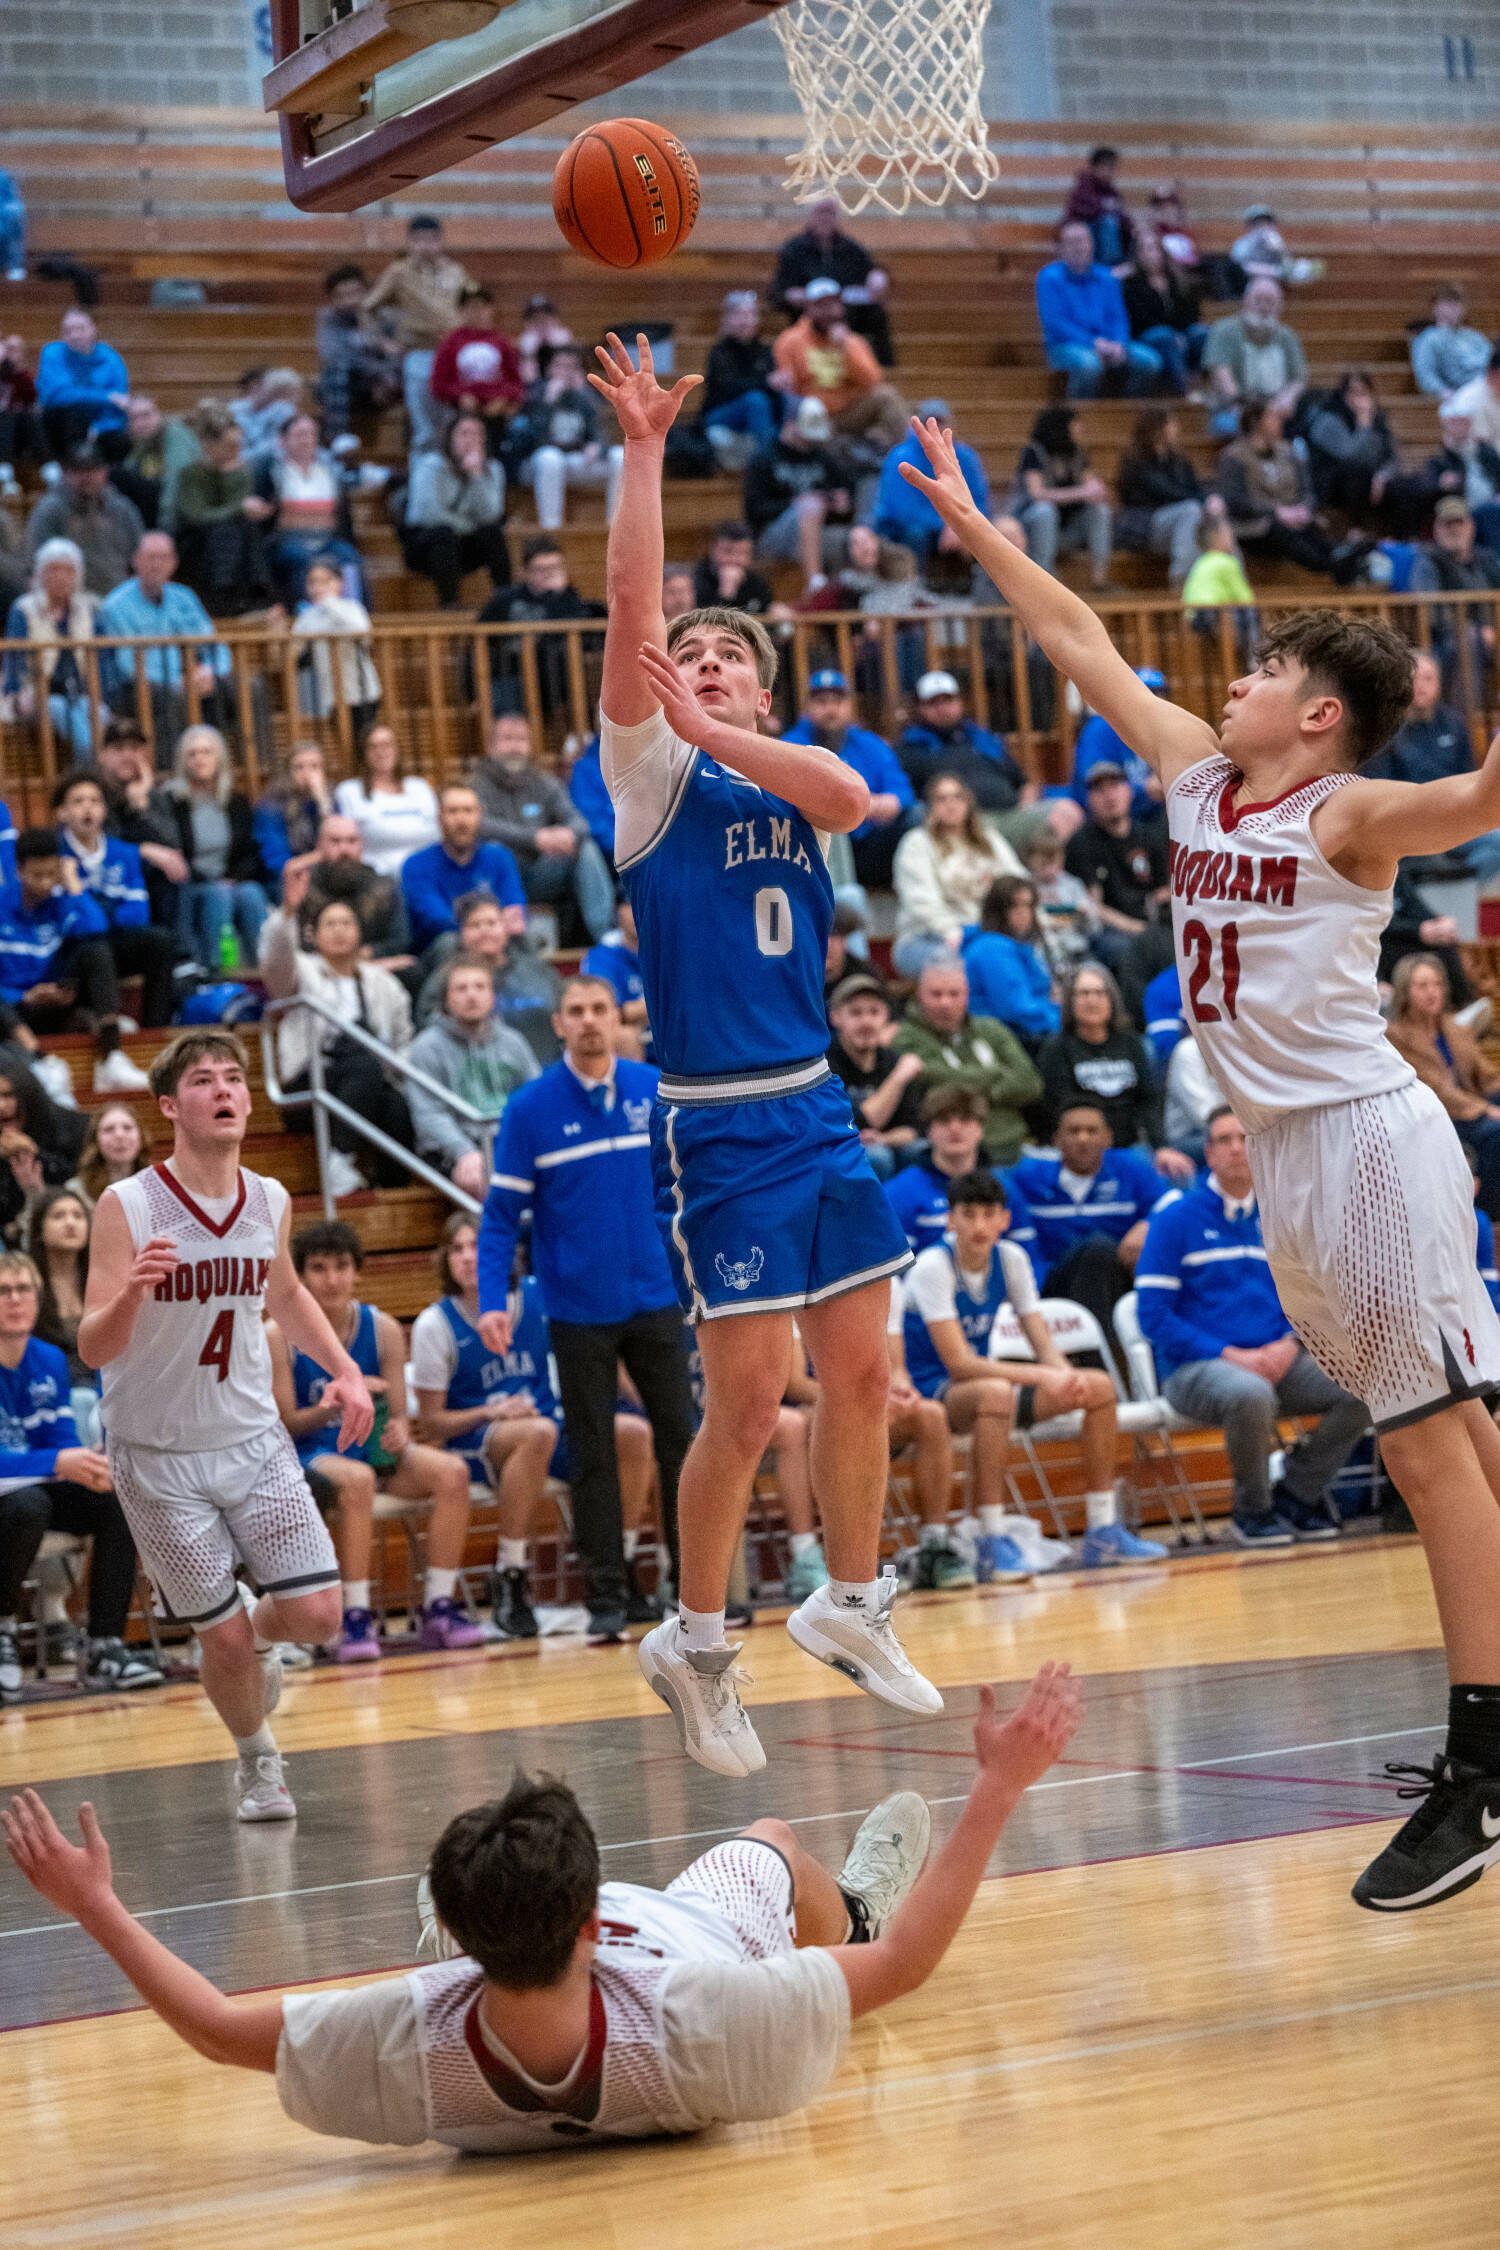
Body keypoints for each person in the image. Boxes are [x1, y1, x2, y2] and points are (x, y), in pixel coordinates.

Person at [904, 407, 1500, 1911]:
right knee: (1461, 1435)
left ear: (1315, 718)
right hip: (1290, 1156)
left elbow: (1480, 803)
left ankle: (1487, 1771)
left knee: (1431, 1451)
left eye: (1267, 671)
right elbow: (1084, 640)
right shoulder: (1187, 772)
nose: (1229, 680)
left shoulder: (1347, 811)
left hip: (1368, 1138)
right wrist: (982, 538)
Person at [1, 1659, 1084, 2150]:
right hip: (690, 1941)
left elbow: (218, 2030)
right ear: (583, 1922)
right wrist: (997, 1786)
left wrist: (94, 1903)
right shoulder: (713, 2022)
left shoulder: (411, 2036)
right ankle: (852, 1899)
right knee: (768, 1839)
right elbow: (902, 1973)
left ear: (458, 1941)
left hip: (533, 1949)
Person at [581, 331, 938, 1772]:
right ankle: (698, 1636)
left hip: (819, 1111)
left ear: (763, 693)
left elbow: (853, 796)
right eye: (695, 649)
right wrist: (647, 447)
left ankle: (851, 1600)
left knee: (863, 1370)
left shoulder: (791, 776)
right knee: (744, 1400)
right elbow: (627, 600)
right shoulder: (648, 768)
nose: (705, 658)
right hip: (719, 1117)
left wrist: (730, 731)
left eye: (733, 654)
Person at [77, 1029, 374, 1818]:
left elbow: (284, 1296)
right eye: (205, 1080)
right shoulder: (127, 1204)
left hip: (252, 1442)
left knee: (317, 1614)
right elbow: (91, 1342)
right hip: (156, 1455)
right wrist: (132, 1296)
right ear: (171, 1106)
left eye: (235, 1079)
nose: (225, 1090)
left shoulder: (269, 1199)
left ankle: (258, 1628)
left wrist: (345, 1373)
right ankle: (259, 1760)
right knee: (225, 1643)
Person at [477, 976, 698, 1640]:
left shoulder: (654, 1088)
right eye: (577, 1012)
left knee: (683, 1447)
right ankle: (608, 1595)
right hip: (576, 1310)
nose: (591, 1021)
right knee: (595, 1454)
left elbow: (696, 1183)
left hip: (660, 1297)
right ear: (560, 1024)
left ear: (615, 1018)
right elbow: (499, 1218)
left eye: (600, 1009)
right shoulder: (530, 1107)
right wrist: (494, 1300)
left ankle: (696, 1590)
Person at [414, 1215, 662, 1637]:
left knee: (635, 1434)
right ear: (445, 1260)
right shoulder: (434, 1325)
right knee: (538, 1433)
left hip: (547, 1429)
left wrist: (646, 1398)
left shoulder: (537, 1299)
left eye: (476, 1245)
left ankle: (618, 1565)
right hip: (478, 1442)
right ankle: (510, 1574)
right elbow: (432, 1422)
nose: (468, 1257)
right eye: (456, 1249)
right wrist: (488, 1413)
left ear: (503, 1253)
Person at [902, 1170, 1162, 1571]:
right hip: (933, 1390)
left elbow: (1042, 1343)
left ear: (1005, 1220)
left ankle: (1102, 1528)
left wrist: (1063, 1373)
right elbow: (959, 1364)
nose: (979, 1225)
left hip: (990, 1386)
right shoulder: (932, 1266)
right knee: (995, 1393)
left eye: (989, 1214)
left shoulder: (1011, 1258)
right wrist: (1044, 1375)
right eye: (968, 1215)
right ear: (949, 1220)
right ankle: (990, 1534)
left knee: (1097, 1387)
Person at [1136, 1106, 1369, 1544]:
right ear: (1208, 1153)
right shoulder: (1174, 1219)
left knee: (1364, 1385)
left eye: (1244, 1138)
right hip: (1195, 1367)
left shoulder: (1282, 1216)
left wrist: (1290, 1341)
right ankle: (1252, 1512)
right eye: (1223, 1140)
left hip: (1278, 1357)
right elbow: (1152, 1315)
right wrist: (1231, 1355)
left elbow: (1313, 1297)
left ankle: (1298, 1494)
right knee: (1250, 1392)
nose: (1236, 1148)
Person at [268, 1220, 482, 1661]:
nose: (332, 1279)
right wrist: (342, 1400)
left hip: (373, 1452)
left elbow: (401, 1418)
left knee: (452, 1473)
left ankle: (439, 1606)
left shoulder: (381, 1327)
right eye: (319, 1268)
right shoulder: (278, 1335)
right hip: (312, 1455)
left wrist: (400, 1429)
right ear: (302, 1277)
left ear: (358, 1271)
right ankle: (355, 1614)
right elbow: (286, 1423)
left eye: (342, 1266)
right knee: (359, 1479)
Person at [0, 1249, 164, 1699]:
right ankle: (3, 1632)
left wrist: (86, 1460)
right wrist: (58, 1462)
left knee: (116, 1497)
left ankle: (103, 1646)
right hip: (16, 1499)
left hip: (34, 1488)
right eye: (3, 1291)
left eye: (24, 1289)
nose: (15, 1299)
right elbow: (48, 1459)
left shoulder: (49, 1358)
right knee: (27, 1506)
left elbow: (58, 1439)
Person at [261, 859, 414, 1197]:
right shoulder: (302, 971)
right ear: (313, 934)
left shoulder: (382, 982)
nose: (341, 929)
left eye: (347, 922)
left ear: (360, 932)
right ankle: (338, 1160)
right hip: (310, 1084)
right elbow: (275, 961)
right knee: (364, 1066)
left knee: (397, 1107)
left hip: (367, 1080)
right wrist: (287, 912)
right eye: (330, 923)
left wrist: (395, 1066)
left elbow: (404, 1039)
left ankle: (392, 1193)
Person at [1007, 1100, 1175, 1348]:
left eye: (1091, 1130)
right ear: (1056, 1140)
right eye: (1073, 1131)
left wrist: (1148, 1225)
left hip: (1117, 1278)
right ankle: (1106, 1355)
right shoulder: (1027, 1178)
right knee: (1098, 1248)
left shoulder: (1130, 1167)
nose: (1083, 1139)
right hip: (1055, 1282)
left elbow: (1174, 1205)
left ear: (1108, 1138)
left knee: (1117, 1254)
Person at [0, 826, 149, 1097]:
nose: (46, 883)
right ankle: (37, 1059)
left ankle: (112, 1057)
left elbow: (97, 929)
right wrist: (25, 996)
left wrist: (72, 883)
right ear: (19, 871)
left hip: (57, 1002)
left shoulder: (61, 899)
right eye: (37, 875)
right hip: (13, 1012)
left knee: (96, 950)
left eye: (51, 874)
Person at [467, 710, 614, 944]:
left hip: (539, 873)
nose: (515, 747)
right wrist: (535, 838)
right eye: (508, 739)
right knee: (495, 850)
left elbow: (580, 823)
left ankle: (606, 935)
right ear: (491, 746)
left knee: (584, 848)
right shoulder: (474, 784)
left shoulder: (544, 782)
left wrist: (567, 833)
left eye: (521, 740)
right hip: (492, 879)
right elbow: (480, 825)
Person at [1038, 963, 1192, 1178]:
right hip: (1080, 1147)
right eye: (1083, 993)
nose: (1092, 1000)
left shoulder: (1133, 1044)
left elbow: (1149, 1101)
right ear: (1071, 1002)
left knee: (1179, 1172)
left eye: (1099, 993)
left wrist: (1161, 1146)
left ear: (1112, 999)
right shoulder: (1056, 1048)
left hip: (1131, 1145)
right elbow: (1060, 1107)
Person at [52, 768, 175, 1034]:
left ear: (104, 811)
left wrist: (87, 901)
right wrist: (105, 910)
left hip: (113, 941)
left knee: (160, 940)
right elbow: (76, 928)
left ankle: (157, 1030)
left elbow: (138, 915)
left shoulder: (122, 853)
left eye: (95, 801)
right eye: (78, 801)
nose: (88, 808)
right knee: (95, 947)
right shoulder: (55, 858)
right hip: (75, 954)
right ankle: (102, 1027)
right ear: (62, 813)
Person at [407, 954, 538, 1198]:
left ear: (492, 996)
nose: (471, 995)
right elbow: (429, 1114)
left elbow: (537, 1099)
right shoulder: (426, 1047)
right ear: (447, 999)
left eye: (480, 987)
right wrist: (464, 1151)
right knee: (481, 1177)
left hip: (508, 1140)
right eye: (461, 988)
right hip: (456, 1148)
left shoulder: (513, 1041)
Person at [892, 958, 1042, 1168]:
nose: (945, 1002)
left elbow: (1030, 1083)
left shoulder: (991, 1029)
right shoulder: (905, 1037)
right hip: (947, 1156)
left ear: (967, 995)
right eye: (936, 994)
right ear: (919, 995)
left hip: (1013, 1145)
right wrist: (997, 1075)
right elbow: (935, 1082)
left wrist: (962, 1082)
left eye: (954, 994)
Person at [1384, 952, 1500, 1220]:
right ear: (1405, 991)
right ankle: (1487, 1216)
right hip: (1437, 1117)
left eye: (1436, 984)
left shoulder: (1454, 1027)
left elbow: (1484, 1073)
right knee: (1495, 1133)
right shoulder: (1397, 1035)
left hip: (1469, 1107)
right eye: (1422, 986)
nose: (1432, 992)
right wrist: (1486, 1109)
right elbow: (1436, 1090)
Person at [97, 528, 233, 748]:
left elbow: (213, 644)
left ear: (174, 563)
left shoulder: (184, 597)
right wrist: (176, 681)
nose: (157, 564)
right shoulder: (116, 605)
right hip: (138, 686)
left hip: (190, 677)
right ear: (136, 561)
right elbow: (127, 664)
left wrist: (210, 670)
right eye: (151, 558)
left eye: (164, 558)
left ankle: (256, 764)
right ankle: (172, 771)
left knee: (250, 687)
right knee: (173, 698)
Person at [782, 669, 913, 888]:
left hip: (868, 839)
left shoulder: (870, 743)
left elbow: (902, 794)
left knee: (915, 816)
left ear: (850, 705)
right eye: (821, 701)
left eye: (838, 701)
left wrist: (866, 805)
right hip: (814, 847)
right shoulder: (791, 745)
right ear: (807, 708)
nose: (830, 709)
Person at [890, 776, 1023, 979]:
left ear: (968, 802)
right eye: (941, 799)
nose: (951, 804)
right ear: (930, 807)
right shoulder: (916, 843)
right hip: (926, 938)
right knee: (972, 963)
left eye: (957, 797)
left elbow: (1018, 883)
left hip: (988, 935)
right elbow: (921, 902)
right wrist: (954, 932)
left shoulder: (990, 840)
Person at [363, 215, 472, 455]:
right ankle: (423, 487)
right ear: (409, 242)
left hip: (453, 354)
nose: (425, 245)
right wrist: (383, 342)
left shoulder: (455, 272)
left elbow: (469, 307)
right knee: (424, 427)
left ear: (441, 241)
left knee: (454, 424)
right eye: (419, 240)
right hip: (419, 351)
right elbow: (368, 308)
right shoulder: (399, 272)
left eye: (431, 239)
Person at [166, 724, 269, 974]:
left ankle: (265, 969)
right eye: (192, 753)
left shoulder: (236, 802)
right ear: (183, 761)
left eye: (206, 752)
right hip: (190, 884)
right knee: (219, 895)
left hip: (231, 881)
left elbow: (248, 852)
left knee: (252, 893)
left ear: (219, 757)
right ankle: (220, 972)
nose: (200, 758)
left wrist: (234, 879)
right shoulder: (173, 803)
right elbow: (175, 851)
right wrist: (215, 882)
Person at [473, 535, 607, 724]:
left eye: (555, 568)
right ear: (524, 572)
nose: (549, 574)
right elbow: (477, 640)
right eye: (541, 569)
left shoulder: (570, 601)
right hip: (513, 674)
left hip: (556, 678)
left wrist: (557, 595)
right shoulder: (505, 601)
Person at [415, 887, 563, 1057]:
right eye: (474, 925)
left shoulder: (538, 970)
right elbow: (430, 1029)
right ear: (461, 934)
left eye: (492, 923)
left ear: (505, 928)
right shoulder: (444, 979)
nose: (484, 931)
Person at [168, 404, 276, 621]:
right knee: (228, 529)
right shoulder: (192, 474)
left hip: (229, 543)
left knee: (245, 527)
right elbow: (195, 516)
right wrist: (239, 508)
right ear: (210, 445)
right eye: (230, 445)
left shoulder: (240, 471)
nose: (236, 451)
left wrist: (233, 479)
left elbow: (238, 511)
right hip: (194, 541)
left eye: (238, 445)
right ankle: (224, 596)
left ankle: (255, 593)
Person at [772, 281, 906, 455]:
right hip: (813, 414)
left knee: (886, 395)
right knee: (810, 411)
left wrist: (846, 349)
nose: (829, 311)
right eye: (822, 306)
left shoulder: (852, 341)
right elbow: (789, 387)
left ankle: (912, 452)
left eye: (834, 305)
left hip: (850, 410)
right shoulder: (789, 341)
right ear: (808, 308)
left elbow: (873, 381)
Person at [1034, 222, 1161, 400]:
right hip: (1066, 345)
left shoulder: (1107, 276)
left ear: (1092, 244)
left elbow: (1118, 317)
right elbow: (1055, 323)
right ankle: (1080, 417)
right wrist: (1093, 343)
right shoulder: (1049, 278)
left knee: (1150, 361)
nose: (1078, 247)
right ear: (1061, 248)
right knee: (1089, 365)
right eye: (1072, 242)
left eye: (1083, 241)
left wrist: (1118, 343)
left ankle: (1127, 412)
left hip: (1110, 344)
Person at [401, 783, 526, 960]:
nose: (461, 820)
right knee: (449, 942)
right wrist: (486, 931)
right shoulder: (417, 864)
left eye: (468, 811)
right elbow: (436, 920)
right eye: (453, 811)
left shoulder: (500, 857)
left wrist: (496, 929)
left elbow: (513, 908)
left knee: (522, 938)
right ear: (440, 818)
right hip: (441, 951)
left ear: (479, 815)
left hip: (495, 939)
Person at [1, 537, 101, 759]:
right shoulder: (24, 608)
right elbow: (14, 657)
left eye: (68, 571)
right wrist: (15, 693)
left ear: (78, 576)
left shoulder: (89, 607)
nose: (60, 577)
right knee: (66, 712)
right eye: (53, 570)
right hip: (38, 692)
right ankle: (89, 769)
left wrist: (100, 693)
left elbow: (101, 656)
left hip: (81, 691)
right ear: (40, 574)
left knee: (98, 714)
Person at [399, 410, 510, 609]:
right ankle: (450, 605)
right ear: (450, 437)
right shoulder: (430, 466)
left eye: (477, 434)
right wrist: (469, 525)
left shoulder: (493, 469)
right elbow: (428, 514)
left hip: (465, 546)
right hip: (427, 546)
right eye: (465, 433)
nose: (472, 440)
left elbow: (492, 514)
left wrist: (477, 477)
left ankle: (506, 598)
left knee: (492, 533)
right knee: (443, 535)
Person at [1064, 760, 1170, 967]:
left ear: (1129, 791)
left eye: (1115, 786)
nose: (1109, 796)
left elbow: (1165, 888)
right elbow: (1092, 905)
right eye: (1100, 790)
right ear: (1088, 799)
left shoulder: (1148, 836)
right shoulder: (1082, 843)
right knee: (1124, 950)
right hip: (1108, 931)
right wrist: (1137, 928)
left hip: (1152, 920)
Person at [742, 395, 850, 589]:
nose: (810, 440)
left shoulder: (823, 457)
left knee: (857, 539)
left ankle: (850, 598)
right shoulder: (764, 458)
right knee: (809, 505)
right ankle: (815, 582)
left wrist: (841, 506)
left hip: (817, 532)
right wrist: (795, 503)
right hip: (773, 535)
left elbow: (843, 499)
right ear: (790, 424)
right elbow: (753, 512)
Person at [771, 195, 895, 364]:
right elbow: (780, 289)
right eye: (821, 212)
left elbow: (870, 271)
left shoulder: (851, 248)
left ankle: (885, 368)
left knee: (876, 313)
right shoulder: (794, 249)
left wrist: (878, 274)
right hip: (809, 312)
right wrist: (792, 295)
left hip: (847, 312)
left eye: (830, 213)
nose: (826, 218)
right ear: (811, 216)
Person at [825, 972, 924, 1182]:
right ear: (835, 1016)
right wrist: (898, 1078)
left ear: (885, 1015)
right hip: (835, 1154)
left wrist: (884, 1139)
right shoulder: (824, 1064)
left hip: (885, 1146)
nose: (866, 1022)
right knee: (877, 1158)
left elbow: (914, 1128)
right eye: (856, 1013)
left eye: (874, 1012)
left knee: (922, 1151)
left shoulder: (891, 1060)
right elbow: (861, 1121)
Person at [255, 412, 362, 605]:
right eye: (300, 434)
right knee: (303, 560)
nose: (306, 440)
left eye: (311, 434)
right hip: (286, 540)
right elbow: (261, 507)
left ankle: (356, 617)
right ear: (283, 440)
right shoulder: (270, 470)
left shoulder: (329, 470)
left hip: (328, 539)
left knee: (349, 558)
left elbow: (343, 514)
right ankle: (306, 616)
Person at [514, 344, 624, 528]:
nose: (566, 372)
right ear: (549, 368)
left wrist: (597, 445)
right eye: (561, 366)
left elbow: (601, 433)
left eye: (572, 367)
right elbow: (529, 441)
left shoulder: (583, 396)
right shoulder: (534, 394)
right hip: (538, 463)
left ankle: (616, 526)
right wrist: (549, 403)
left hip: (575, 459)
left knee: (621, 456)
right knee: (550, 458)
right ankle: (551, 528)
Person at [896, 675, 1033, 819]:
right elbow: (907, 800)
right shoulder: (911, 748)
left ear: (960, 702)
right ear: (920, 708)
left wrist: (1026, 806)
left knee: (1059, 810)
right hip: (962, 826)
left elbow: (1024, 783)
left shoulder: (983, 739)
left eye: (948, 700)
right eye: (933, 702)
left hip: (1013, 814)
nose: (942, 708)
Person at [1011, 405, 1114, 590]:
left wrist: (1097, 491)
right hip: (1032, 529)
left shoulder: (1078, 453)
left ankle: (1100, 579)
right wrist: (1082, 492)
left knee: (1100, 511)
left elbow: (1092, 487)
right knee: (1044, 511)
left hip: (1068, 529)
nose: (1080, 428)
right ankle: (1045, 580)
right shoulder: (1034, 452)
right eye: (1076, 423)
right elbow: (1037, 494)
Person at [873, 401, 989, 565]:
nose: (936, 427)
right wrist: (951, 524)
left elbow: (979, 501)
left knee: (985, 532)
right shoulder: (901, 456)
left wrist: (960, 525)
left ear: (950, 425)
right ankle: (910, 585)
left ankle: (982, 587)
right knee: (915, 533)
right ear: (918, 425)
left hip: (948, 524)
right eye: (929, 421)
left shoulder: (966, 457)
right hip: (900, 527)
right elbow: (904, 511)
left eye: (940, 422)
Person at [24, 441, 144, 597]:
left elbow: (141, 557)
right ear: (66, 473)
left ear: (105, 472)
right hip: (69, 601)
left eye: (93, 470)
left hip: (118, 600)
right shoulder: (50, 510)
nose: (86, 477)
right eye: (79, 470)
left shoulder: (122, 508)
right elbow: (32, 566)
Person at [1114, 407, 1215, 587]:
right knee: (1191, 510)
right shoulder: (1135, 461)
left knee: (1216, 517)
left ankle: (1233, 584)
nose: (1177, 428)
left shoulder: (1179, 459)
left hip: (1176, 523)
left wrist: (1210, 502)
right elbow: (1166, 491)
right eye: (1172, 423)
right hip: (1143, 525)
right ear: (1157, 428)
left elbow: (1195, 488)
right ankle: (1181, 581)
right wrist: (1204, 502)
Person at [960, 874, 1062, 1048]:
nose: (1024, 913)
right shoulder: (992, 947)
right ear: (997, 910)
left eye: (1029, 905)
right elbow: (1016, 1009)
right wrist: (1065, 1019)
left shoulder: (1017, 946)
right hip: (1005, 1040)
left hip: (1025, 1032)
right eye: (1015, 906)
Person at [1201, 280, 1307, 440]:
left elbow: (1298, 378)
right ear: (1246, 300)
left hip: (1276, 411)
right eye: (1258, 300)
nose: (1264, 307)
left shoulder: (1287, 336)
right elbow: (1222, 375)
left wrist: (1286, 399)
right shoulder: (1224, 330)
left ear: (1280, 305)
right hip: (1233, 410)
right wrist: (1254, 412)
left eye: (1270, 301)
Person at [331, 721, 440, 877]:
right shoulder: (350, 790)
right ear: (363, 753)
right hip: (378, 878)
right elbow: (341, 839)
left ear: (397, 749)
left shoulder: (419, 787)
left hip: (429, 874)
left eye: (386, 744)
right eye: (373, 747)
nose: (381, 752)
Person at [290, 555, 380, 728]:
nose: (317, 588)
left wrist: (329, 602)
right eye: (312, 582)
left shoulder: (352, 608)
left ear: (340, 582)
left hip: (361, 691)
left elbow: (364, 636)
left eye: (324, 581)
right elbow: (294, 653)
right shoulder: (307, 617)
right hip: (328, 695)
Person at [429, 283, 524, 446]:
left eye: (481, 307)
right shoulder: (450, 342)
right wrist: (459, 396)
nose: (476, 312)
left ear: (490, 310)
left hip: (496, 412)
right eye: (470, 307)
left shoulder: (502, 342)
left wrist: (502, 399)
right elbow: (439, 384)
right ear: (461, 311)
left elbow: (516, 383)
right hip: (460, 411)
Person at [315, 262, 401, 437]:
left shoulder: (386, 317)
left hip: (387, 388)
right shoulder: (329, 319)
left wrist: (387, 378)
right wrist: (376, 375)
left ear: (367, 292)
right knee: (336, 369)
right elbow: (334, 356)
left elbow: (400, 354)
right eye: (342, 296)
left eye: (356, 293)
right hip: (351, 386)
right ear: (332, 299)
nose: (351, 301)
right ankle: (339, 442)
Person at [699, 291, 788, 455]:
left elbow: (770, 385)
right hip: (720, 413)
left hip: (756, 412)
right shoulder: (719, 352)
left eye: (751, 314)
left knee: (788, 399)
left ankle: (793, 456)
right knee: (756, 400)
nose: (747, 320)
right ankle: (766, 464)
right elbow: (727, 388)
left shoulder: (764, 350)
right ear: (728, 319)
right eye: (741, 315)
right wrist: (767, 383)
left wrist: (779, 383)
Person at [35, 308, 129, 460]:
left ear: (93, 329)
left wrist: (99, 427)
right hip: (60, 420)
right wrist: (106, 396)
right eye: (68, 330)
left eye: (80, 329)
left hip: (101, 424)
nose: (74, 335)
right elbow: (57, 396)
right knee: (71, 416)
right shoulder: (52, 352)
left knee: (119, 439)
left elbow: (121, 402)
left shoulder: (111, 358)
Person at [1120, 228, 1204, 396]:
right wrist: (1175, 334)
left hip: (1180, 333)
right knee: (1164, 336)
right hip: (1146, 335)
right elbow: (1138, 318)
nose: (1150, 254)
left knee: (1202, 333)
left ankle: (1210, 387)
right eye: (1144, 249)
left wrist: (1180, 333)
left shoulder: (1179, 282)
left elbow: (1191, 313)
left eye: (1153, 248)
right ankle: (1185, 391)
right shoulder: (1131, 284)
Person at [114, 394, 198, 533]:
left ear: (159, 415)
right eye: (134, 418)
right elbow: (129, 470)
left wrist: (165, 526)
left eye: (146, 415)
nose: (141, 423)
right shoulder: (143, 442)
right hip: (157, 504)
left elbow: (176, 480)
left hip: (183, 508)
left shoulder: (176, 434)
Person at [583, 894, 648, 1056]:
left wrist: (637, 1011)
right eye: (630, 904)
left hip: (673, 1033)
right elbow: (603, 1013)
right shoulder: (603, 956)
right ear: (616, 911)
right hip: (634, 1039)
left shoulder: (675, 952)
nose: (638, 910)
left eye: (646, 902)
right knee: (622, 1036)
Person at [1411, 285, 1493, 406]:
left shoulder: (1475, 337)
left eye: (1458, 303)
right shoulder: (1427, 339)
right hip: (1459, 394)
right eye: (1449, 303)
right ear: (1436, 307)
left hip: (1487, 388)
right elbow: (1426, 375)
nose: (1455, 308)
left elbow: (1493, 362)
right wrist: (1443, 392)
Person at [690, 519, 780, 620]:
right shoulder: (695, 582)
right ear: (712, 550)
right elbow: (704, 624)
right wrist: (726, 594)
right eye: (728, 551)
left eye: (742, 553)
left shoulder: (758, 584)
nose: (734, 559)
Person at [1062, 145, 1136, 266]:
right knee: (1108, 223)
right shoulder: (1082, 189)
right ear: (1094, 167)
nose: (1107, 171)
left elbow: (1122, 216)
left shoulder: (1113, 193)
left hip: (1107, 240)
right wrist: (1105, 210)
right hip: (1087, 234)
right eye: (1104, 166)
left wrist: (1132, 227)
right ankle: (1109, 266)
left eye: (1111, 167)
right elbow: (1080, 212)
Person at [71, 1101, 150, 1209]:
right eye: (109, 1129)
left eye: (127, 1127)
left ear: (141, 1137)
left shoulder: (157, 1186)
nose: (119, 1135)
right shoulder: (77, 1192)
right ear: (96, 1141)